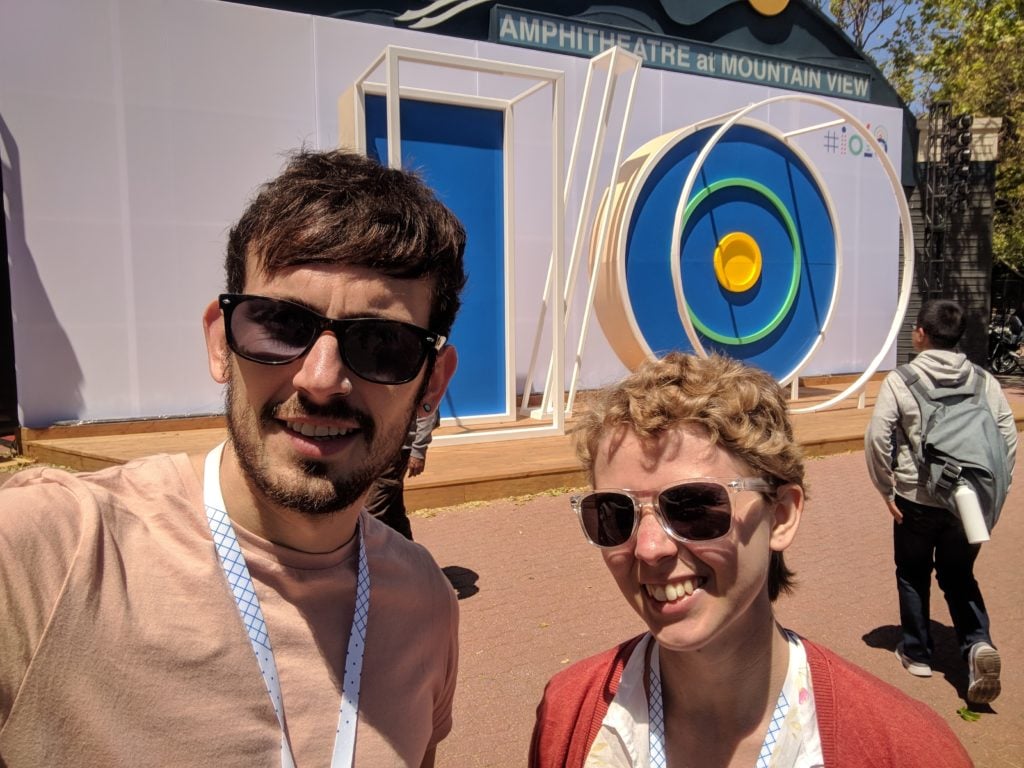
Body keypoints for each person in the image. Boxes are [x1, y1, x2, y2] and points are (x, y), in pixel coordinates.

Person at [0, 149, 467, 766]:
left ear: (431, 384)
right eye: (278, 324)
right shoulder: (49, 553)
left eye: (381, 342)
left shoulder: (425, 603)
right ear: (222, 344)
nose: (321, 378)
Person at [531, 352, 972, 767]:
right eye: (613, 513)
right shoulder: (568, 715)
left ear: (780, 516)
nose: (649, 548)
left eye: (693, 508)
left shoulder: (905, 750)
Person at [866, 298, 1016, 703]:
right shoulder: (984, 380)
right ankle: (977, 643)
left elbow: (878, 437)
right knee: (959, 576)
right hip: (967, 504)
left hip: (915, 497)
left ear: (921, 334)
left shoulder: (902, 380)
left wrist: (885, 487)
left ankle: (917, 652)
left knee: (912, 572)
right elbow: (1007, 436)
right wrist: (995, 491)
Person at [364, 408, 440, 540]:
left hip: (397, 450)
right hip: (378, 447)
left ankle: (370, 556)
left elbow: (428, 412)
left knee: (372, 511)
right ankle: (409, 553)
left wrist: (418, 450)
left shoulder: (421, 386)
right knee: (394, 510)